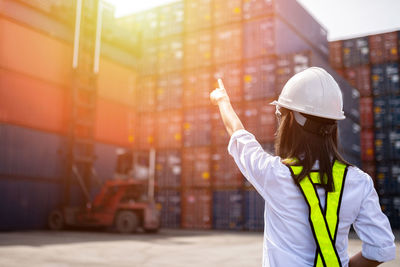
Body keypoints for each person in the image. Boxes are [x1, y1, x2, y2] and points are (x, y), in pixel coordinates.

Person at [210, 67, 396, 267]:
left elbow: (237, 133)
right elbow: (381, 248)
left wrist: (222, 100)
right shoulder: (359, 181)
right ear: (334, 124)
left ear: (289, 120)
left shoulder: (273, 174)